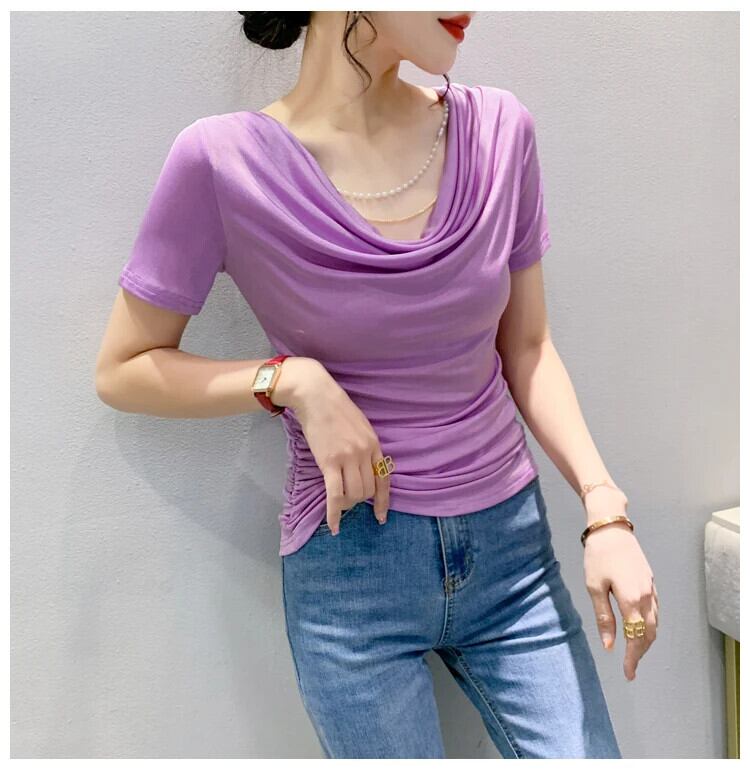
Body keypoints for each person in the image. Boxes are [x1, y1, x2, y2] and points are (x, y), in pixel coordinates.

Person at [95, 10, 659, 759]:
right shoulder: (223, 162)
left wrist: (605, 509)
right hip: (351, 570)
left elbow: (527, 347)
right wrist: (288, 380)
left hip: (512, 560)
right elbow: (124, 368)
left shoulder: (499, 132)